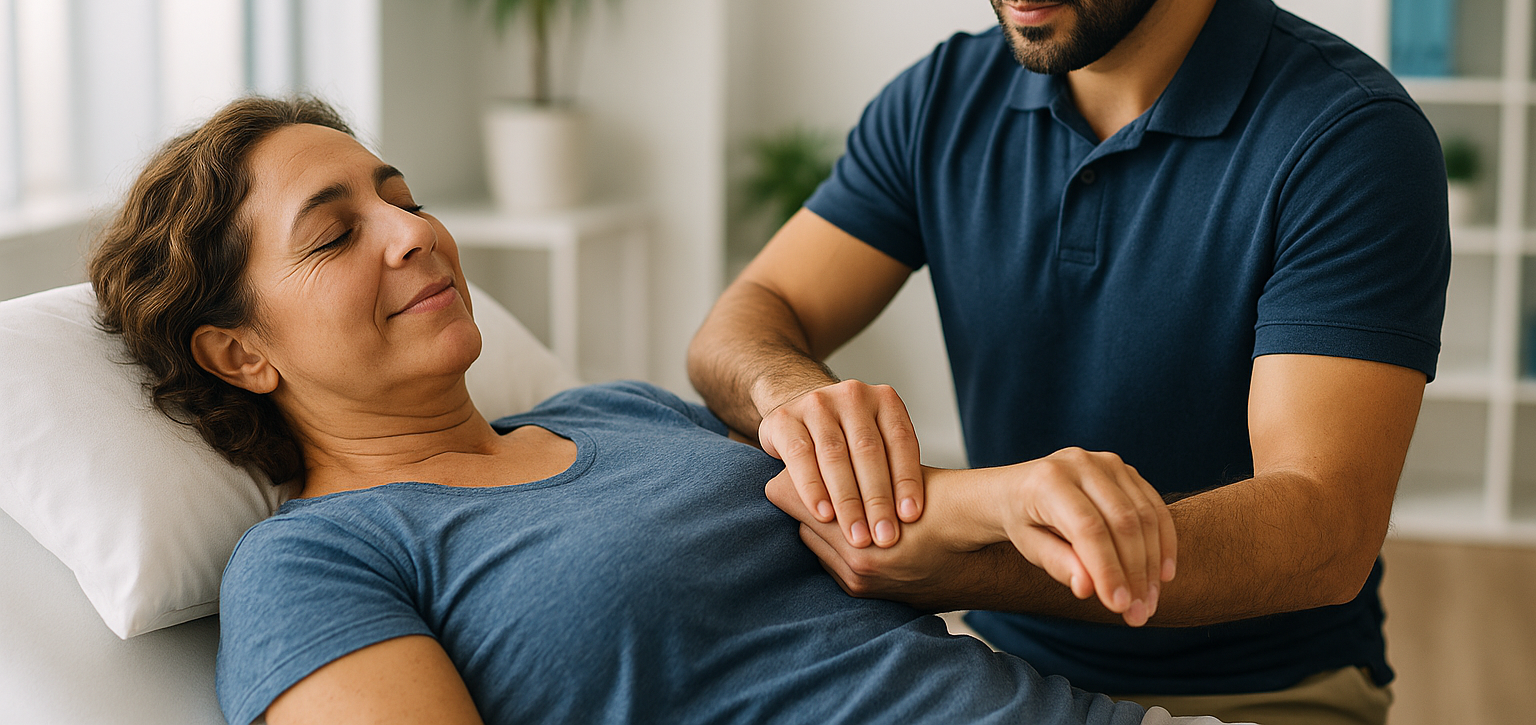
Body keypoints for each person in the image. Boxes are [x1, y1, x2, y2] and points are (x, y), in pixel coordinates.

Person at [686, 0, 1450, 723]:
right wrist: (795, 399)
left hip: (1261, 689)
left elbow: (1322, 528)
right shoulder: (940, 101)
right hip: (996, 672)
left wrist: (958, 556)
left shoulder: (1346, 138)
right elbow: (750, 314)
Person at [89, 95, 1235, 725]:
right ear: (239, 352)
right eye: (337, 233)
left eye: (404, 195)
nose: (414, 233)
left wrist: (1020, 490)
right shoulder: (318, 560)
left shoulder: (620, 412)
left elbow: (867, 529)